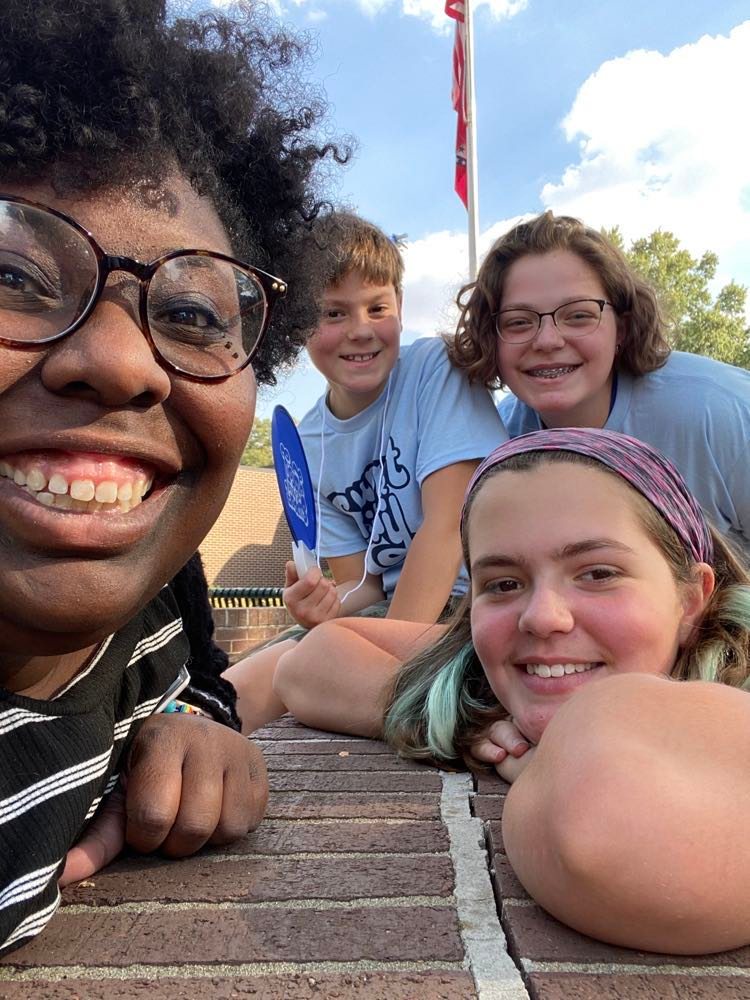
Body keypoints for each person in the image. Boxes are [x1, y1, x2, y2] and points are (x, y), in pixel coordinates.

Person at [0, 0, 341, 956]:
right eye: (14, 275)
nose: (123, 362)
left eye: (192, 313)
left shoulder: (155, 603)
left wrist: (195, 720)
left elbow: (195, 676)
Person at [377, 428, 750, 954]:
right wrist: (465, 716)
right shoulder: (484, 665)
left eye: (598, 573)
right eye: (503, 583)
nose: (542, 616)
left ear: (691, 601)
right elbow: (318, 656)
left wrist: (539, 764)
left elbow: (598, 838)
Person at [225, 211, 506, 733]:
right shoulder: (306, 444)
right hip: (395, 612)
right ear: (297, 327)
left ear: (400, 306)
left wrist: (382, 662)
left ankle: (454, 717)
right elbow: (364, 586)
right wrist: (328, 610)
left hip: (476, 602)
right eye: (333, 313)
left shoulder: (433, 370)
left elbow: (449, 527)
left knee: (304, 669)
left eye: (377, 307)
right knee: (231, 693)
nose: (360, 330)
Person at [448, 212, 750, 553]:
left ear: (621, 328)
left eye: (578, 316)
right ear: (492, 339)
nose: (547, 340)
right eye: (518, 322)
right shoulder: (499, 444)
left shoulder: (718, 411)